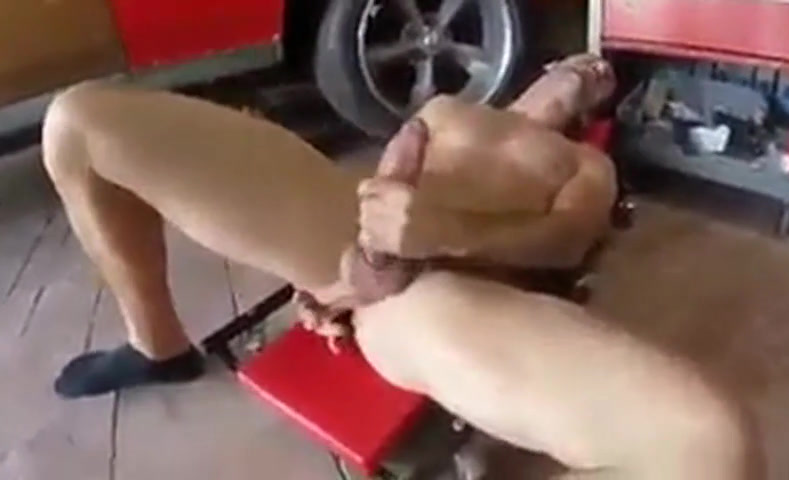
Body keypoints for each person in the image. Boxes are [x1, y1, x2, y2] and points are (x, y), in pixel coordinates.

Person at [43, 53, 749, 478]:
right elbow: (380, 192)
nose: (591, 72)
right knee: (76, 120)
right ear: (545, 70)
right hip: (342, 228)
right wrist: (353, 269)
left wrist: (444, 236)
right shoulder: (447, 107)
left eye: (599, 79)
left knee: (707, 447)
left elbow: (564, 241)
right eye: (581, 62)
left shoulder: (585, 164)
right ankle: (158, 346)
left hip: (437, 291)